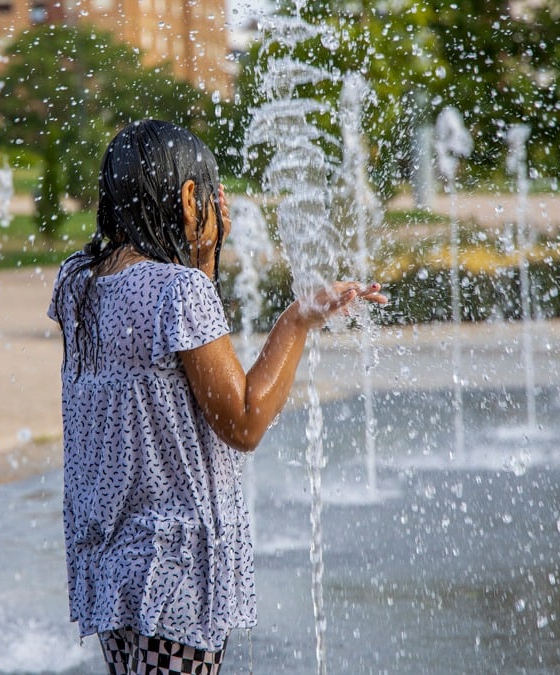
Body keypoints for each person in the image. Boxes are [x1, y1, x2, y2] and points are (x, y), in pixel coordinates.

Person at [47, 119, 387, 673]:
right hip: (178, 567)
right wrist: (297, 321)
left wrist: (203, 262)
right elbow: (243, 421)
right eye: (208, 192)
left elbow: (172, 371)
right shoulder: (178, 291)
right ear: (188, 198)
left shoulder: (76, 283)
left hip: (109, 561)